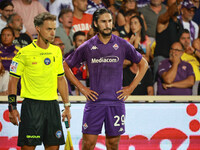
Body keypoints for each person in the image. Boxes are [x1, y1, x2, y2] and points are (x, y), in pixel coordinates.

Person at [63, 8, 148, 149]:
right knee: (88, 145)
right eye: (103, 21)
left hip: (116, 102)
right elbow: (65, 65)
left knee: (113, 145)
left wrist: (130, 88)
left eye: (109, 21)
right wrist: (82, 88)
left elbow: (143, 64)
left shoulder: (122, 44)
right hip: (94, 103)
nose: (108, 24)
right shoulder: (88, 46)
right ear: (96, 23)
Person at [8, 12, 71, 149]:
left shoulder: (56, 51)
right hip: (32, 107)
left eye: (54, 29)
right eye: (49, 29)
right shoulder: (24, 52)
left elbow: (61, 79)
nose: (53, 33)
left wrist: (67, 106)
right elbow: (13, 80)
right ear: (38, 28)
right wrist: (12, 107)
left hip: (52, 107)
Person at [153, 0, 184, 82]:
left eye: (179, 5)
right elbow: (168, 14)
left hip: (175, 59)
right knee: (157, 83)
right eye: (176, 5)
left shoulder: (179, 24)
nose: (178, 6)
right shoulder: (163, 20)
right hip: (161, 58)